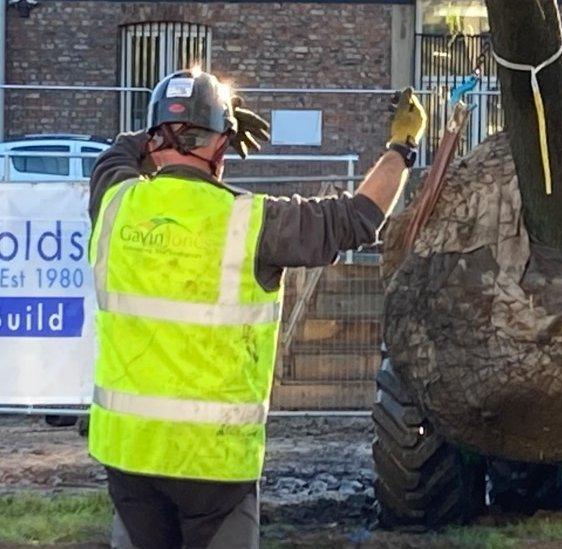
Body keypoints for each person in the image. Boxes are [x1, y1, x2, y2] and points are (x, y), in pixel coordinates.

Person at [86, 68, 427, 548]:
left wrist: (176, 124)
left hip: (127, 458)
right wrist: (403, 148)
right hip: (214, 466)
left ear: (151, 138)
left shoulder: (114, 202)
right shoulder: (255, 223)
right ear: (222, 149)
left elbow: (117, 155)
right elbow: (357, 218)